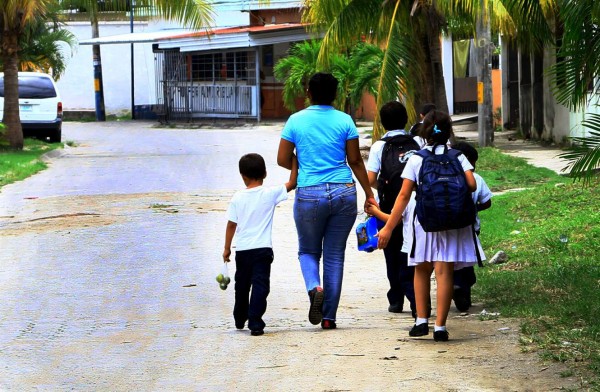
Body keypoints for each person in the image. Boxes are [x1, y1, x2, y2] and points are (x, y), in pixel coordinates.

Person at [277, 72, 377, 330]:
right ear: (335, 94)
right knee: (334, 255)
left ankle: (314, 288)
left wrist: (299, 163)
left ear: (308, 92)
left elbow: (281, 159)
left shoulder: (295, 121)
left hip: (309, 192)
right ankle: (329, 317)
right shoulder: (345, 120)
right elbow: (355, 160)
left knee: (308, 251)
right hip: (344, 191)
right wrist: (369, 193)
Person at [376, 110, 485, 342]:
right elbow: (472, 185)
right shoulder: (458, 156)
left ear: (424, 132)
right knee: (444, 271)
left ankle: (421, 321)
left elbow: (404, 195)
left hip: (424, 222)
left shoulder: (416, 158)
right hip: (452, 222)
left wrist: (388, 227)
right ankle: (440, 327)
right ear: (449, 132)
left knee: (421, 269)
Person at [223, 153, 298, 336]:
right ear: (265, 173)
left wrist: (226, 248)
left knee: (242, 285)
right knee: (260, 285)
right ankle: (255, 321)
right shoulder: (270, 193)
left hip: (242, 250)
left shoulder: (237, 197)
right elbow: (292, 183)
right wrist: (295, 160)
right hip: (263, 250)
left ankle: (240, 316)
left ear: (243, 176)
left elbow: (231, 224)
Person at [366, 101, 424, 316]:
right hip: (417, 205)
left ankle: (396, 299)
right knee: (412, 251)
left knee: (391, 252)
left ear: (382, 123)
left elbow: (371, 178)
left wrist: (384, 185)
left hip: (390, 207)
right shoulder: (418, 141)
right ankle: (415, 299)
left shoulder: (379, 146)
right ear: (405, 119)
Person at [451, 141, 493, 312]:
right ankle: (463, 290)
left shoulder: (440, 176)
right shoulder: (476, 179)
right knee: (467, 260)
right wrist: (473, 208)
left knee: (449, 260)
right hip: (469, 227)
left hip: (443, 227)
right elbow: (487, 202)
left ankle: (453, 285)